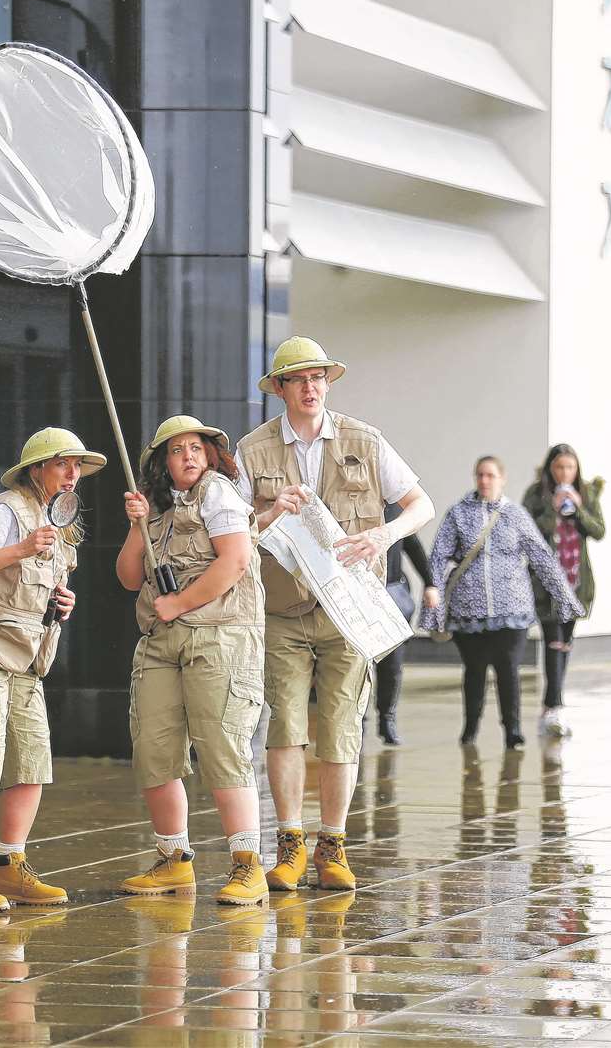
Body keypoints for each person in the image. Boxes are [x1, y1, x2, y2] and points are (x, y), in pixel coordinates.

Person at [234, 337, 434, 892]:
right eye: (298, 379)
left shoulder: (364, 440)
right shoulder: (252, 452)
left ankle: (334, 846)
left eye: (319, 377)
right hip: (284, 610)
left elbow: (422, 505)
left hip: (351, 611)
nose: (311, 387)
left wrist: (383, 533)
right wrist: (270, 511)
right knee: (287, 727)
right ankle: (291, 845)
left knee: (342, 729)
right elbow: (232, 531)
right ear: (278, 388)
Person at [0, 427, 106, 912]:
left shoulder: (62, 525)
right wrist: (21, 549)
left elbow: (34, 587)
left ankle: (10, 866)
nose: (72, 475)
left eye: (78, 467)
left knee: (32, 760)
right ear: (37, 470)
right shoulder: (4, 510)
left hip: (26, 657)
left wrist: (61, 600)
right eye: (62, 465)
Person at [115, 416, 269, 906]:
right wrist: (137, 526)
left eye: (197, 448)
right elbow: (126, 575)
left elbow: (235, 560)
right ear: (162, 462)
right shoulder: (155, 510)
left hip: (219, 637)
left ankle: (248, 865)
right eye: (177, 449)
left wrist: (180, 604)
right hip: (159, 642)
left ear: (210, 456)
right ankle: (173, 861)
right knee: (154, 748)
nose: (188, 456)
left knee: (222, 744)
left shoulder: (219, 494)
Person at [423, 456, 583, 748]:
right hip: (468, 611)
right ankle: (470, 729)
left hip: (512, 609)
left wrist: (565, 598)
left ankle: (513, 730)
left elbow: (542, 557)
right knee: (474, 671)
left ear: (502, 478)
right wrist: (432, 589)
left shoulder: (516, 514)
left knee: (508, 669)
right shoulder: (458, 513)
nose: (485, 480)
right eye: (480, 475)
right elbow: (439, 554)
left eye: (490, 475)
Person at [522, 444, 604, 738]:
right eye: (559, 467)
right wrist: (552, 511)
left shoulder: (586, 492)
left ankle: (552, 703)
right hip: (546, 583)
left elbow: (598, 530)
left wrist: (578, 509)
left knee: (565, 643)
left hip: (576, 582)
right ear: (550, 469)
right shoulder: (536, 494)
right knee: (553, 640)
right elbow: (526, 532)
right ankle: (554, 705)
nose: (564, 473)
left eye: (570, 467)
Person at [374, 502, 433, 746]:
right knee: (355, 665)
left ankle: (387, 718)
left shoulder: (395, 509)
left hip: (392, 594)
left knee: (392, 664)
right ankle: (359, 721)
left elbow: (413, 545)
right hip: (358, 594)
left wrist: (430, 583)